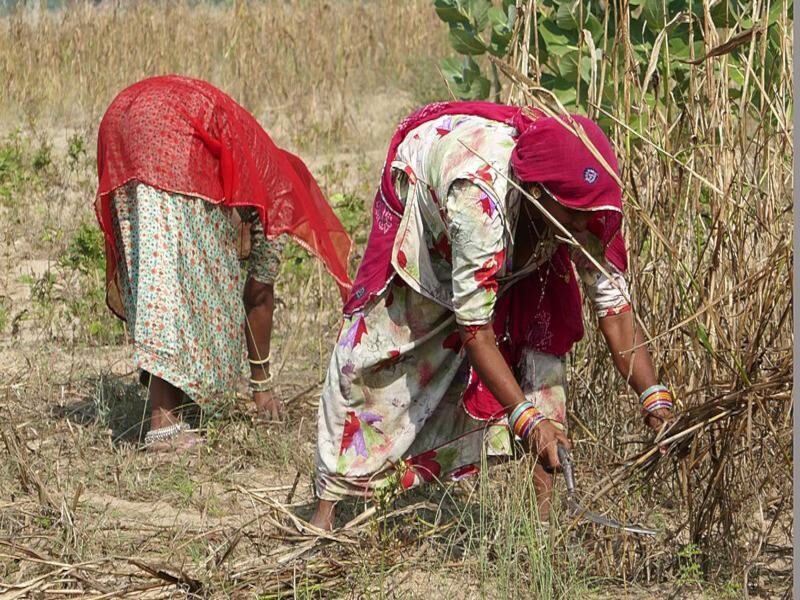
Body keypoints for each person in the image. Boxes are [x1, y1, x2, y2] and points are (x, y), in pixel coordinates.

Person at [310, 102, 674, 530]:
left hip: (518, 227)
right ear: (538, 195)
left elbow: (614, 306)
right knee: (380, 357)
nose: (582, 227)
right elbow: (476, 329)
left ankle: (544, 528)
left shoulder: (580, 208)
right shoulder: (476, 198)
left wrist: (654, 397)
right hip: (435, 222)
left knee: (542, 344)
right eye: (574, 216)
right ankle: (326, 510)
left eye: (588, 216)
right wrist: (527, 421)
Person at [95, 75, 352, 452]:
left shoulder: (253, 160)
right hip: (169, 126)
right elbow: (258, 295)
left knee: (152, 268)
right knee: (177, 282)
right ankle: (163, 426)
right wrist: (262, 387)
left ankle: (171, 401)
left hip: (122, 118)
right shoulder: (276, 195)